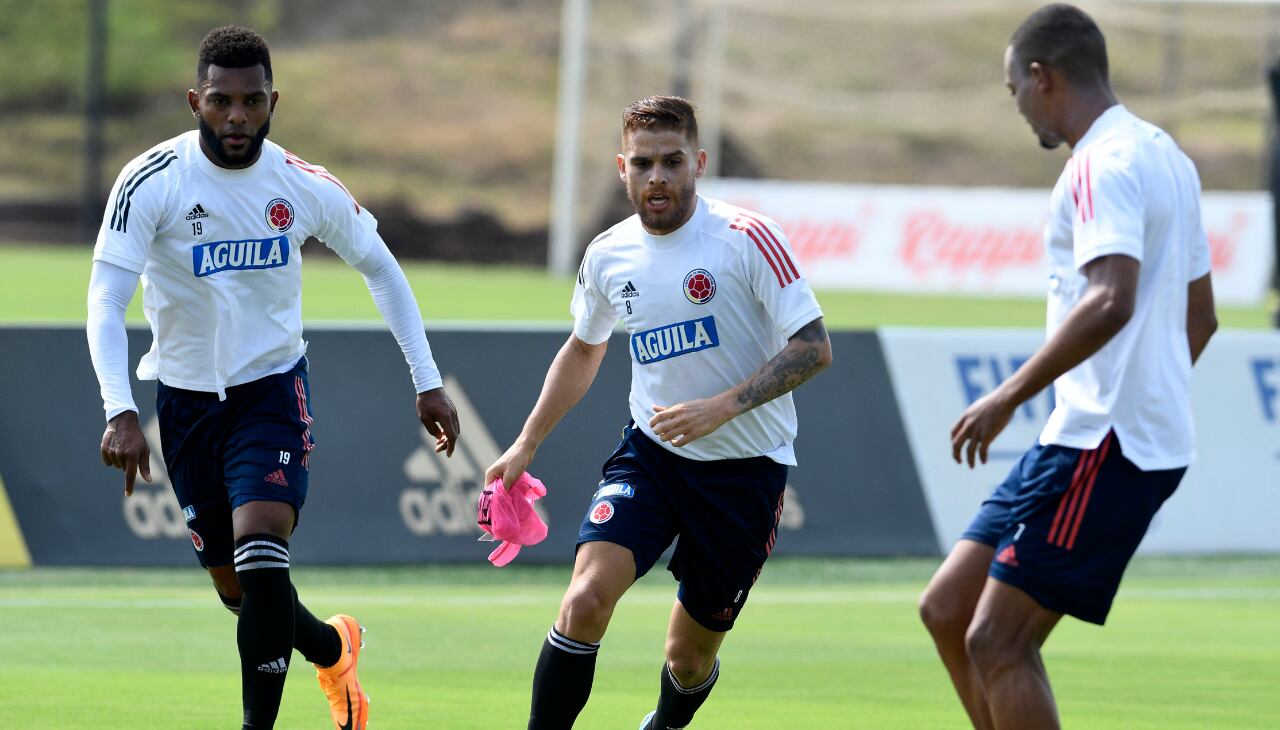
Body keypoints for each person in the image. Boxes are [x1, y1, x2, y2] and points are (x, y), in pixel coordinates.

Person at [86, 25, 460, 730]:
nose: (237, 118)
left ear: (272, 101)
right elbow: (105, 297)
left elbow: (380, 267)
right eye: (222, 101)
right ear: (195, 100)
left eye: (252, 102)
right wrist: (120, 408)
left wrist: (427, 378)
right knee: (240, 591)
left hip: (270, 393)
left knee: (261, 556)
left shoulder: (300, 183)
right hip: (186, 402)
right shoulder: (151, 181)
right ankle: (332, 647)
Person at [485, 95, 832, 730]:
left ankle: (666, 723)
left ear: (699, 162)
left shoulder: (749, 240)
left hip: (744, 473)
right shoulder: (608, 254)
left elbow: (813, 348)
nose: (658, 179)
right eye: (643, 164)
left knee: (688, 658)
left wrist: (721, 409)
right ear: (622, 168)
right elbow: (585, 350)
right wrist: (526, 442)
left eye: (673, 162)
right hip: (652, 458)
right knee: (585, 599)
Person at [917, 5, 1219, 729]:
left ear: (1041, 77)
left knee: (998, 639)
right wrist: (1150, 387)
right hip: (1089, 432)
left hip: (1104, 439)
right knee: (949, 609)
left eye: (1013, 88)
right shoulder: (1165, 156)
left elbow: (1111, 299)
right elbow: (1200, 317)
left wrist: (1008, 395)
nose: (1018, 106)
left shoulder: (1098, 164)